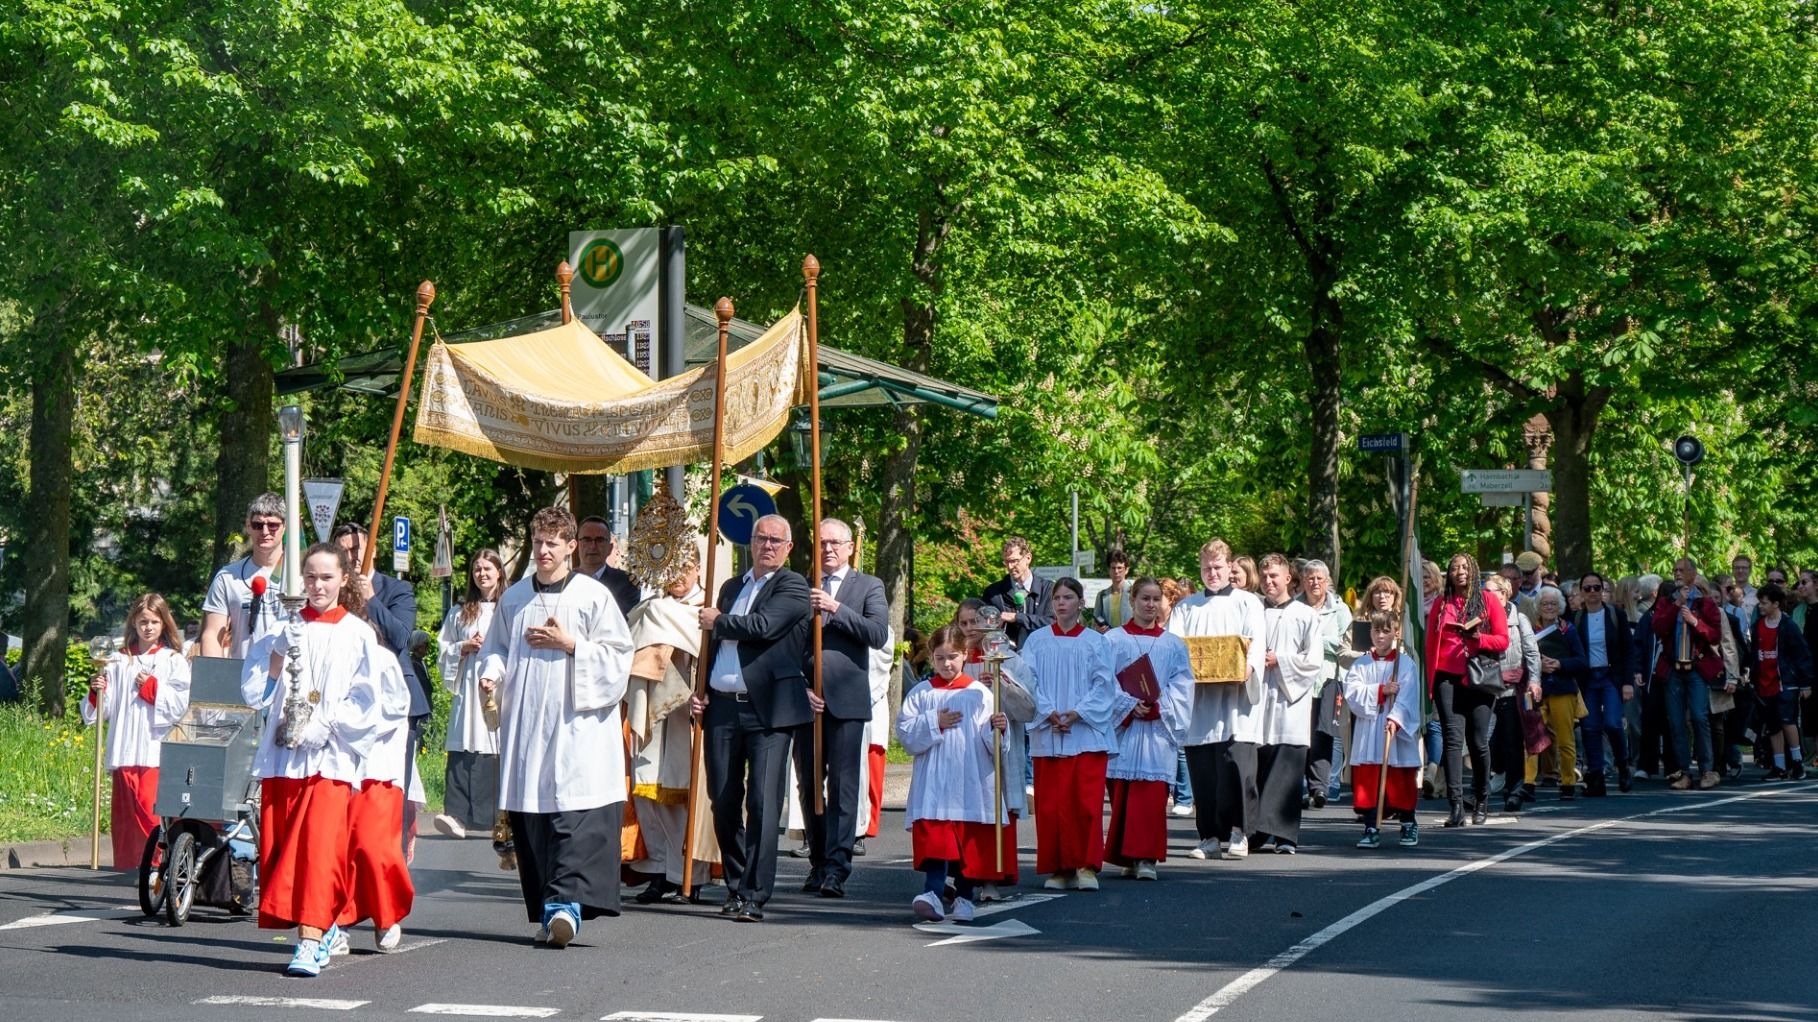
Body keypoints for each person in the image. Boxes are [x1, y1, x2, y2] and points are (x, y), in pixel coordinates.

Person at [477, 507, 635, 947]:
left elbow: (620, 656)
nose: (544, 551)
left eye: (554, 543)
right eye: (539, 542)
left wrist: (571, 645)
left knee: (574, 815)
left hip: (576, 724)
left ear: (570, 547)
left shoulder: (592, 596)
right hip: (528, 723)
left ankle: (566, 906)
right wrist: (490, 675)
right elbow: (497, 649)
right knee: (536, 818)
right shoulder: (513, 600)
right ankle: (552, 906)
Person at [241, 542, 387, 977]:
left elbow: (367, 698)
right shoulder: (284, 630)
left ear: (344, 580)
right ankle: (322, 926)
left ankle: (308, 941)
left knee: (320, 849)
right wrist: (275, 655)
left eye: (326, 577)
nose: (317, 585)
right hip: (287, 757)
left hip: (331, 757)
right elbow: (254, 694)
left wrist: (332, 722)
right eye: (310, 577)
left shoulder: (359, 633)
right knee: (289, 851)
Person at [692, 514, 813, 923]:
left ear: (788, 548)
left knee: (762, 801)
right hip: (723, 706)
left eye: (776, 540)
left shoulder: (793, 585)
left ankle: (755, 894)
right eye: (761, 538)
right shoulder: (731, 586)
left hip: (769, 710)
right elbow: (711, 643)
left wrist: (718, 621)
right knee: (723, 799)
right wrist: (701, 689)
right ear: (750, 542)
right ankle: (735, 879)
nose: (767, 546)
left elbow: (763, 627)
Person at [620, 500, 719, 904]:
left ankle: (688, 874)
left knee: (681, 794)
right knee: (648, 793)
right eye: (670, 567)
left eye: (683, 566)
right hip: (649, 710)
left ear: (696, 567)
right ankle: (659, 868)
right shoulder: (649, 607)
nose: (676, 575)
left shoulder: (703, 609)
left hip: (685, 709)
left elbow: (702, 645)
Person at [797, 517, 891, 898]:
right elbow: (787, 642)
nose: (828, 550)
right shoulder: (800, 586)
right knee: (808, 787)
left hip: (847, 700)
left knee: (843, 786)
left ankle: (837, 865)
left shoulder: (868, 586)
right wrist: (800, 686)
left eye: (835, 543)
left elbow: (877, 633)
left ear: (850, 547)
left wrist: (835, 608)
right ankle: (817, 861)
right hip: (807, 700)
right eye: (821, 543)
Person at [1020, 577, 1135, 890]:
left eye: (1068, 597)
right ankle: (1060, 868)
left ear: (1081, 603)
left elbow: (1105, 685)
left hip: (1085, 734)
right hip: (1049, 731)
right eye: (1057, 597)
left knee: (1085, 803)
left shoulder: (1095, 642)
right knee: (1051, 805)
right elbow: (1027, 681)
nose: (1061, 603)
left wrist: (1077, 713)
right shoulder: (1037, 641)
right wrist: (1048, 712)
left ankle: (1086, 866)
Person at [897, 624, 1012, 922]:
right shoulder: (922, 692)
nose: (946, 664)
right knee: (937, 840)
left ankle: (963, 897)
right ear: (931, 658)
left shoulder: (980, 694)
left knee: (967, 845)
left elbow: (993, 745)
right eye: (939, 658)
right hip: (935, 781)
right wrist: (935, 721)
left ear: (964, 655)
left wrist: (998, 728)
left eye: (952, 657)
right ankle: (933, 894)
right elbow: (906, 735)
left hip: (969, 778)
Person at [1166, 539, 1268, 860]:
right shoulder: (1186, 607)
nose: (1212, 573)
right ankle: (1208, 835)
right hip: (1200, 701)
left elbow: (1256, 643)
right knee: (1203, 771)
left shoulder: (1248, 602)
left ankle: (1239, 832)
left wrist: (1248, 667)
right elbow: (1175, 648)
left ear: (1230, 567)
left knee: (1237, 768)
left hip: (1235, 700)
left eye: (1218, 567)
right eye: (1207, 568)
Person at [83, 594, 191, 869]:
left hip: (153, 748)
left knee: (149, 810)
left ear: (164, 624)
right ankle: (128, 866)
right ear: (134, 622)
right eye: (143, 621)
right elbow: (104, 710)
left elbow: (182, 704)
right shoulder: (119, 661)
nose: (148, 627)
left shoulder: (173, 660)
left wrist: (153, 688)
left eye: (154, 621)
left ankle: (155, 866)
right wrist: (97, 692)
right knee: (127, 815)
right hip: (124, 746)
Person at [1101, 577, 1193, 879]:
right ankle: (1127, 856)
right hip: (1124, 728)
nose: (1151, 605)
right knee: (1123, 792)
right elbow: (1102, 682)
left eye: (1156, 599)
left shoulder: (1173, 644)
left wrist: (1159, 706)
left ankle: (1147, 859)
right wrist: (1128, 705)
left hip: (1157, 730)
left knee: (1151, 795)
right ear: (1133, 600)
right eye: (1145, 599)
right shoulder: (1113, 639)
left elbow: (1183, 685)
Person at [332, 631, 415, 954]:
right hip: (334, 764)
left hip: (376, 766)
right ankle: (334, 924)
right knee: (336, 850)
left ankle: (386, 914)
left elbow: (395, 708)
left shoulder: (382, 659)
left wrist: (347, 723)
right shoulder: (325, 652)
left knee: (372, 846)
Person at [955, 597, 1035, 901]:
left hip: (999, 749)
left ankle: (991, 878)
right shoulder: (955, 658)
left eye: (974, 621)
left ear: (990, 622)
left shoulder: (1009, 659)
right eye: (963, 623)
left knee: (994, 810)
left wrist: (1003, 682)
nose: (969, 628)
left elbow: (1029, 710)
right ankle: (962, 877)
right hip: (963, 750)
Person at [1424, 553, 1511, 826]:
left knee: (1477, 741)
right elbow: (1430, 646)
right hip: (1447, 678)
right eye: (1454, 568)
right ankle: (1456, 806)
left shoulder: (1488, 601)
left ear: (1473, 571)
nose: (1459, 571)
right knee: (1451, 739)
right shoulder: (1441, 603)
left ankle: (1481, 798)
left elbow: (1502, 640)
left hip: (1478, 676)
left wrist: (1478, 638)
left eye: (1464, 567)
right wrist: (1430, 684)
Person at [1251, 555, 1322, 853]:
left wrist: (1279, 660)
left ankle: (1285, 836)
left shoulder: (1306, 615)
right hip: (1257, 700)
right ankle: (1255, 831)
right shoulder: (1253, 612)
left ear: (1289, 579)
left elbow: (1314, 660)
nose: (1269, 581)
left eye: (1274, 576)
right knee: (1259, 766)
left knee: (1287, 770)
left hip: (1289, 702)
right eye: (1265, 576)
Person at [432, 550, 505, 842]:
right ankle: (457, 816)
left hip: (498, 688)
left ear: (499, 572)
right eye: (477, 569)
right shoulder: (460, 611)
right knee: (464, 743)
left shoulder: (510, 607)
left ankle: (497, 818)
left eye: (488, 568)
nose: (482, 574)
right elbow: (443, 648)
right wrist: (464, 646)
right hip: (468, 686)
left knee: (494, 745)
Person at [1344, 611, 1422, 849]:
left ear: (1396, 633)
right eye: (1376, 631)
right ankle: (1370, 826)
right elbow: (1352, 693)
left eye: (1386, 631)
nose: (1380, 636)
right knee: (1369, 780)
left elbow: (1409, 696)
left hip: (1393, 732)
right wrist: (1381, 690)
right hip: (1369, 731)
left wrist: (1396, 718)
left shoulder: (1406, 665)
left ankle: (1408, 822)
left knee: (1399, 780)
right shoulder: (1361, 664)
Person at [1651, 560, 1723, 790]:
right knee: (1676, 721)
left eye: (1682, 570)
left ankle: (1707, 770)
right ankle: (1684, 771)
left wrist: (1695, 622)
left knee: (1700, 718)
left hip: (1696, 669)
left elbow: (1714, 636)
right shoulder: (1666, 601)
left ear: (1693, 574)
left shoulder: (1706, 603)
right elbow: (1658, 627)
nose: (1678, 574)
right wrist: (1677, 606)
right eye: (1675, 571)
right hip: (1673, 669)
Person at [201, 493, 287, 659]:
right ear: (248, 526)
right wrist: (215, 679)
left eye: (273, 525)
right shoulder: (227, 577)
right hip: (243, 676)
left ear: (285, 527)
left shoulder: (302, 576)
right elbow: (212, 635)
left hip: (289, 677)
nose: (265, 531)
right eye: (257, 525)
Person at [1298, 559, 1352, 810]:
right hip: (1298, 680)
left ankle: (1319, 787)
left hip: (1329, 679)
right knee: (1300, 734)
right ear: (1303, 581)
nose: (1315, 582)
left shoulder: (1340, 610)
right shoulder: (1295, 607)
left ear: (1327, 581)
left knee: (1323, 733)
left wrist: (1314, 639)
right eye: (1310, 578)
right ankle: (1299, 785)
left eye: (1320, 578)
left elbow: (1345, 645)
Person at [1485, 575, 1541, 811]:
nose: (1485, 595)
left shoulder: (1519, 619)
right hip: (1487, 690)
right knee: (1492, 745)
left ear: (1504, 593)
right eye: (1483, 591)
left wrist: (1535, 681)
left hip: (1511, 693)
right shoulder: (1480, 620)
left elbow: (1532, 652)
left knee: (1513, 743)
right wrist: (1497, 675)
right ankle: (1496, 774)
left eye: (1490, 591)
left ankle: (1515, 790)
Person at [1572, 572, 1631, 795]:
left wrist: (1627, 682)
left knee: (1613, 723)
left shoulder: (1616, 615)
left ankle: (1623, 764)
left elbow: (1628, 650)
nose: (1593, 592)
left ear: (1603, 590)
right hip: (1588, 680)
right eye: (1587, 588)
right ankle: (1596, 775)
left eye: (1597, 587)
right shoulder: (1577, 618)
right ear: (1581, 592)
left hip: (1610, 678)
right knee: (1590, 726)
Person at [1750, 583, 1811, 780]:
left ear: (1776, 604)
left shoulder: (1788, 626)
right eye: (1760, 602)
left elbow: (1802, 655)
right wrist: (1749, 673)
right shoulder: (1758, 626)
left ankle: (1797, 762)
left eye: (1764, 603)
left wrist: (1805, 683)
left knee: (1787, 721)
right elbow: (1753, 654)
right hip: (1764, 682)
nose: (1761, 606)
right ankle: (1779, 766)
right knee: (1773, 725)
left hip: (1786, 681)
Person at [1529, 586, 1585, 799]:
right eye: (1545, 603)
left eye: (1553, 603)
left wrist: (1560, 664)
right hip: (1535, 690)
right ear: (1538, 606)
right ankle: (1528, 783)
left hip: (1563, 690)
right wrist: (1539, 667)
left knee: (1565, 740)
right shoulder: (1530, 630)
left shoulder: (1568, 630)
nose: (1549, 607)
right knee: (1532, 738)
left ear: (1560, 607)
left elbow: (1581, 661)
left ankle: (1568, 782)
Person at [982, 536, 1053, 648]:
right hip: (1006, 659)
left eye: (1014, 561)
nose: (1010, 567)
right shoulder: (993, 593)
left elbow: (1053, 623)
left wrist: (1017, 617)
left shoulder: (1048, 589)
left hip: (1041, 656)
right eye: (1006, 562)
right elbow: (983, 628)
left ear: (1028, 558)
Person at [579, 515, 642, 620]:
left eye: (599, 540)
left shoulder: (628, 582)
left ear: (610, 548)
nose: (593, 546)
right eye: (587, 539)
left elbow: (620, 620)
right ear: (577, 545)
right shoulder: (566, 581)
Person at [1094, 550, 1135, 631]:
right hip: (1109, 640)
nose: (1116, 571)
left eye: (1119, 568)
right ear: (1109, 570)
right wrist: (1098, 628)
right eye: (1113, 568)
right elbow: (1095, 620)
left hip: (1131, 639)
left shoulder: (1134, 592)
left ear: (1126, 570)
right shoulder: (1102, 595)